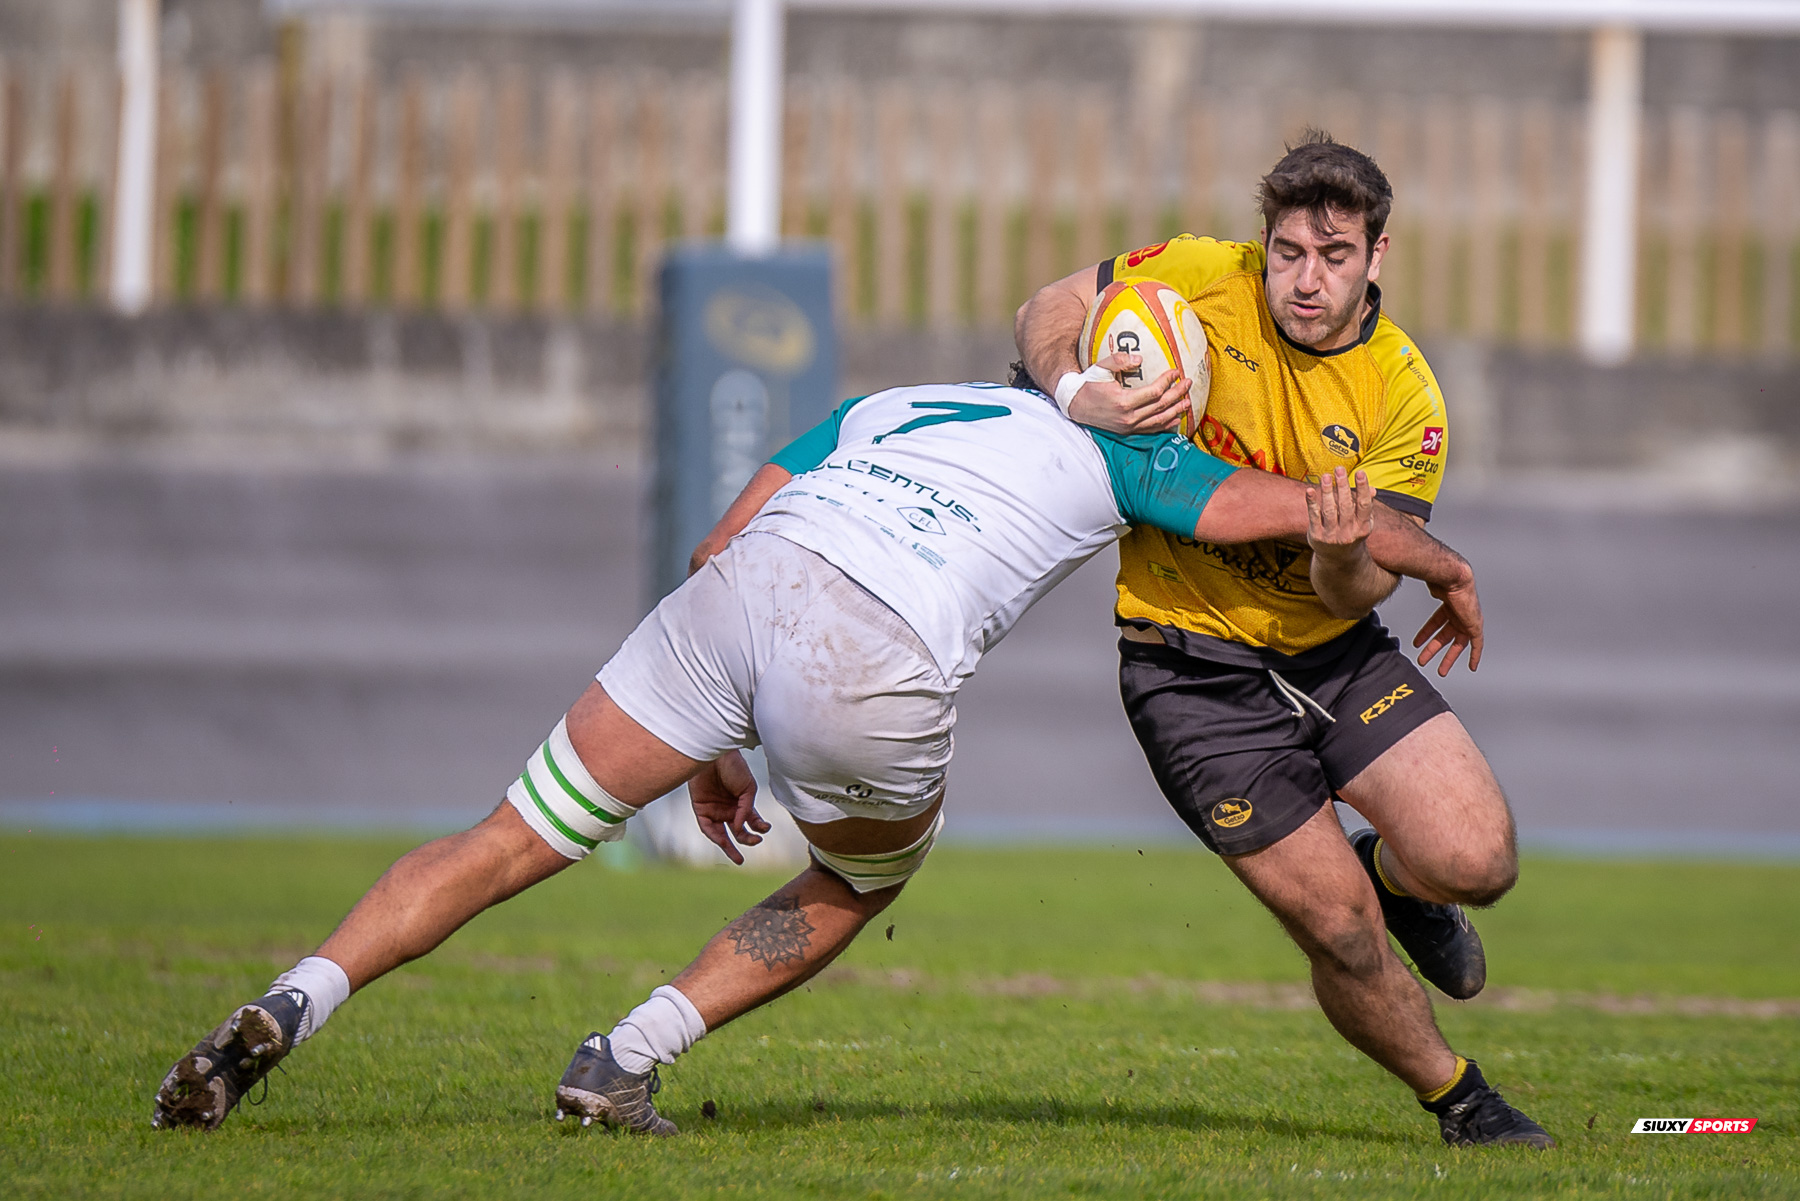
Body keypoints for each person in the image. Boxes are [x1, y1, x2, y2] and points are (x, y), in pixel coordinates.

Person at [151, 379, 1472, 1140]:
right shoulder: (1133, 456)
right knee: (858, 882)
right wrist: (1444, 560)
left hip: (738, 600)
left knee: (506, 834)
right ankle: (624, 1056)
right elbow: (1306, 510)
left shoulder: (889, 399)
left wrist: (719, 738)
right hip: (871, 647)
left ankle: (292, 999)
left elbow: (715, 550)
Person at [1012, 131, 1552, 1148]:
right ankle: (1462, 1100)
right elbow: (1051, 305)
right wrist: (1073, 388)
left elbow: (1355, 594)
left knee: (1479, 859)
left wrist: (1342, 549)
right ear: (1265, 242)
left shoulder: (1404, 395)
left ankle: (1400, 881)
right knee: (1339, 929)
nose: (1306, 280)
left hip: (1332, 650)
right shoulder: (1203, 274)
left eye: (1335, 256)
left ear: (1377, 257)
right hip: (1187, 670)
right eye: (1291, 252)